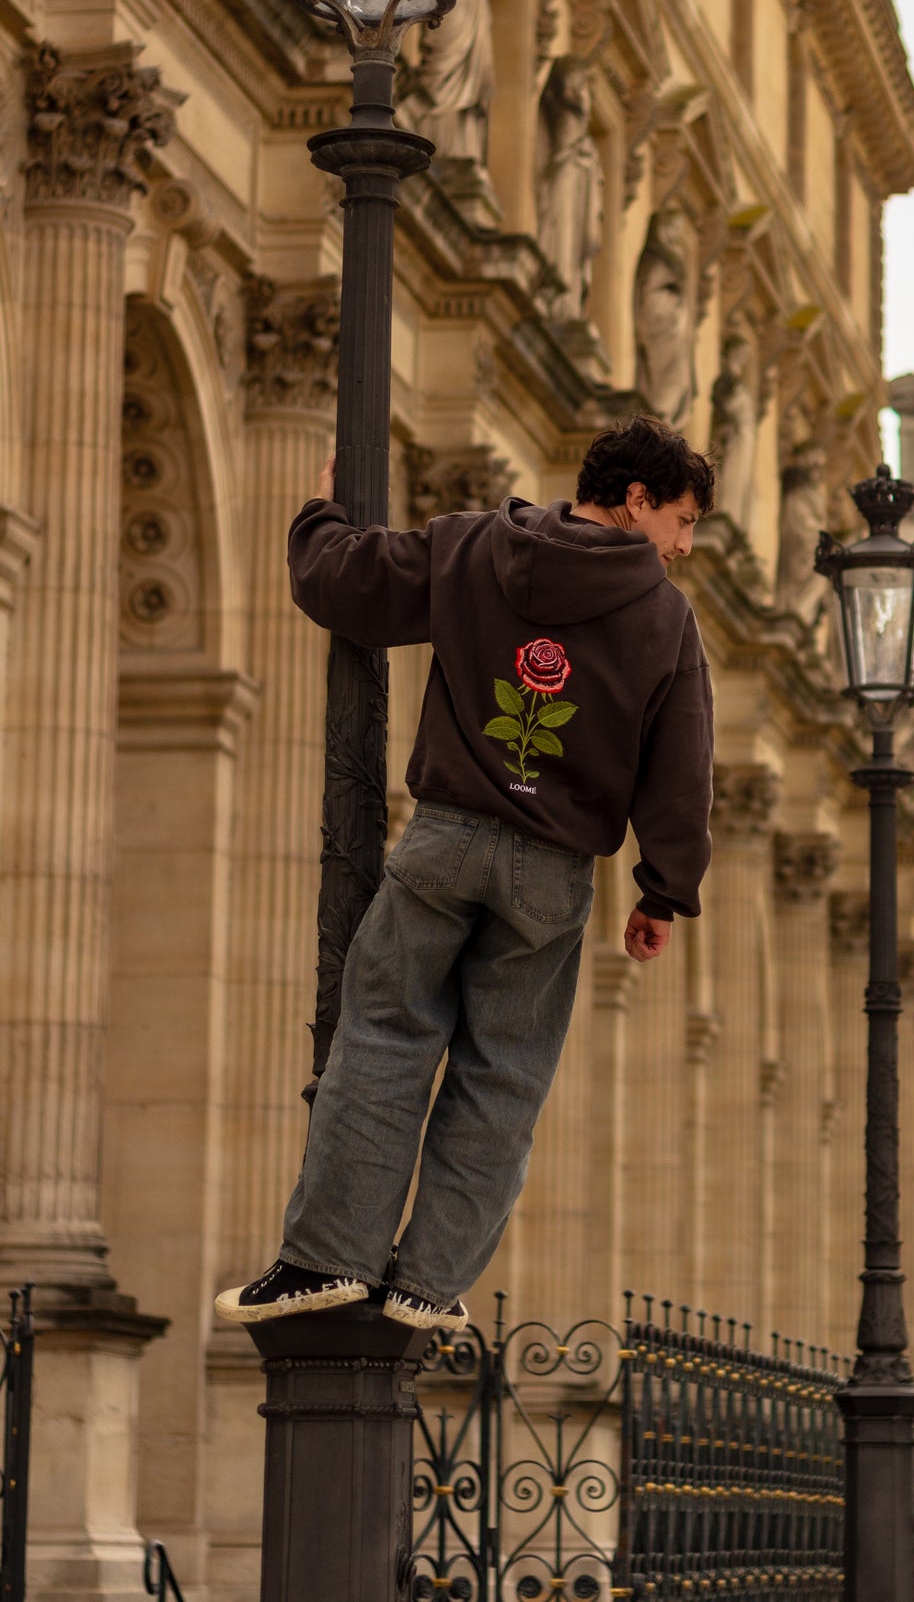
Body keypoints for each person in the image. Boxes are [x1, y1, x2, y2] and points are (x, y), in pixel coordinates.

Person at [215, 416, 716, 1330]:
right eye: (682, 519)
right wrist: (662, 892)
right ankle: (426, 1282)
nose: (683, 546)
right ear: (636, 499)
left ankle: (327, 1259)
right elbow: (680, 770)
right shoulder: (663, 617)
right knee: (502, 1079)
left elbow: (347, 586)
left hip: (444, 841)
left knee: (380, 1041)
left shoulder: (478, 546)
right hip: (553, 874)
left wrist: (320, 515)